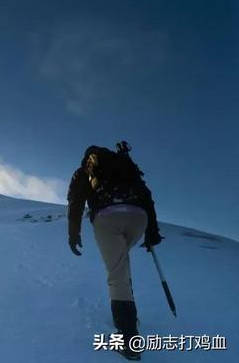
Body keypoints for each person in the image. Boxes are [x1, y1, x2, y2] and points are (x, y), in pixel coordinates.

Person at [67, 143, 163, 361]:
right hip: (139, 217)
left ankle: (129, 341)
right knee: (121, 264)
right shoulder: (125, 166)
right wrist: (152, 231)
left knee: (116, 274)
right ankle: (130, 318)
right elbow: (146, 194)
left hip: (108, 217)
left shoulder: (85, 171)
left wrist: (73, 234)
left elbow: (76, 202)